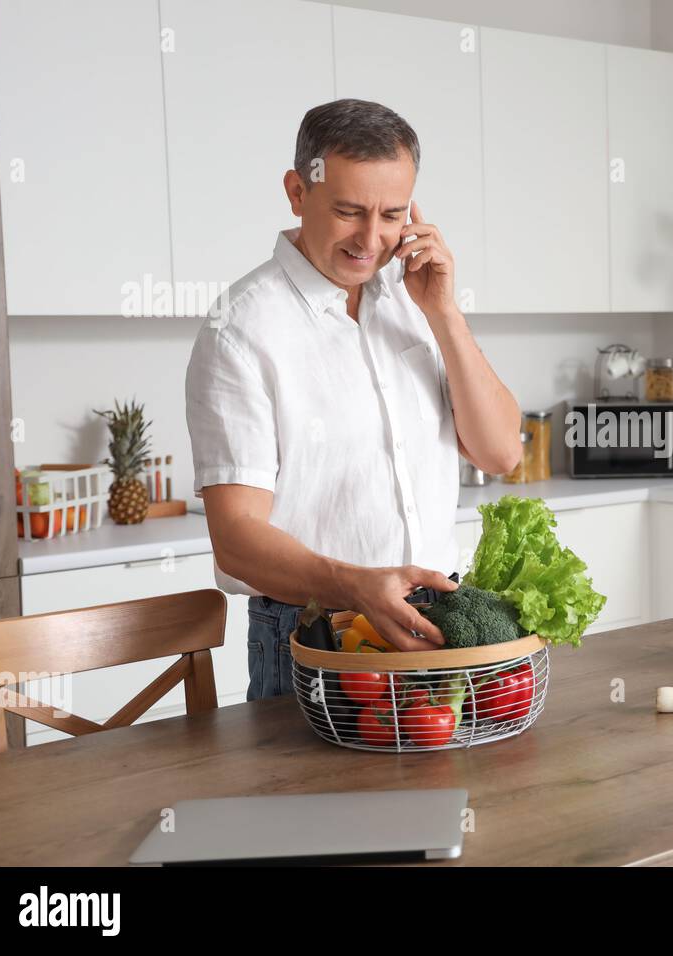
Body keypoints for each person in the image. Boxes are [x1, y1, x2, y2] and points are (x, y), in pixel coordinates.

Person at [185, 99, 522, 699]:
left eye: (392, 214)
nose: (371, 239)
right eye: (348, 211)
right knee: (313, 796)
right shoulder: (241, 330)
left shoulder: (414, 298)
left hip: (442, 623)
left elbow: (499, 453)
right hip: (316, 632)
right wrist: (356, 586)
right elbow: (236, 537)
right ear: (296, 191)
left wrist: (443, 311)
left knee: (452, 796)